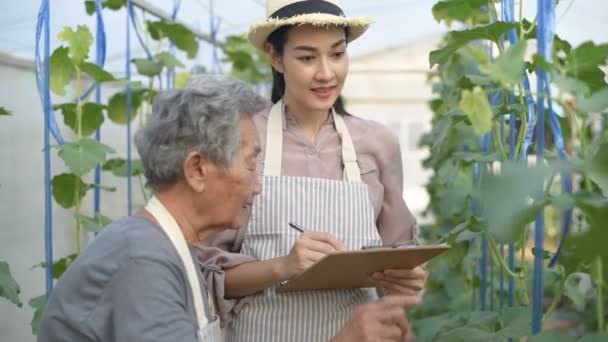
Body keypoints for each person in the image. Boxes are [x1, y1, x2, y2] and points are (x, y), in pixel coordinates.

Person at [37, 75, 420, 342]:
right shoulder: (144, 263)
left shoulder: (166, 250)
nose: (258, 186)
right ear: (198, 169)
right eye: (251, 164)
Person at [198, 1, 427, 341]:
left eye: (337, 54)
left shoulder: (377, 143)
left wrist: (407, 278)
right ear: (276, 58)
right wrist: (283, 266)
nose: (326, 73)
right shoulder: (242, 140)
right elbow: (210, 276)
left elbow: (400, 254)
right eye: (307, 58)